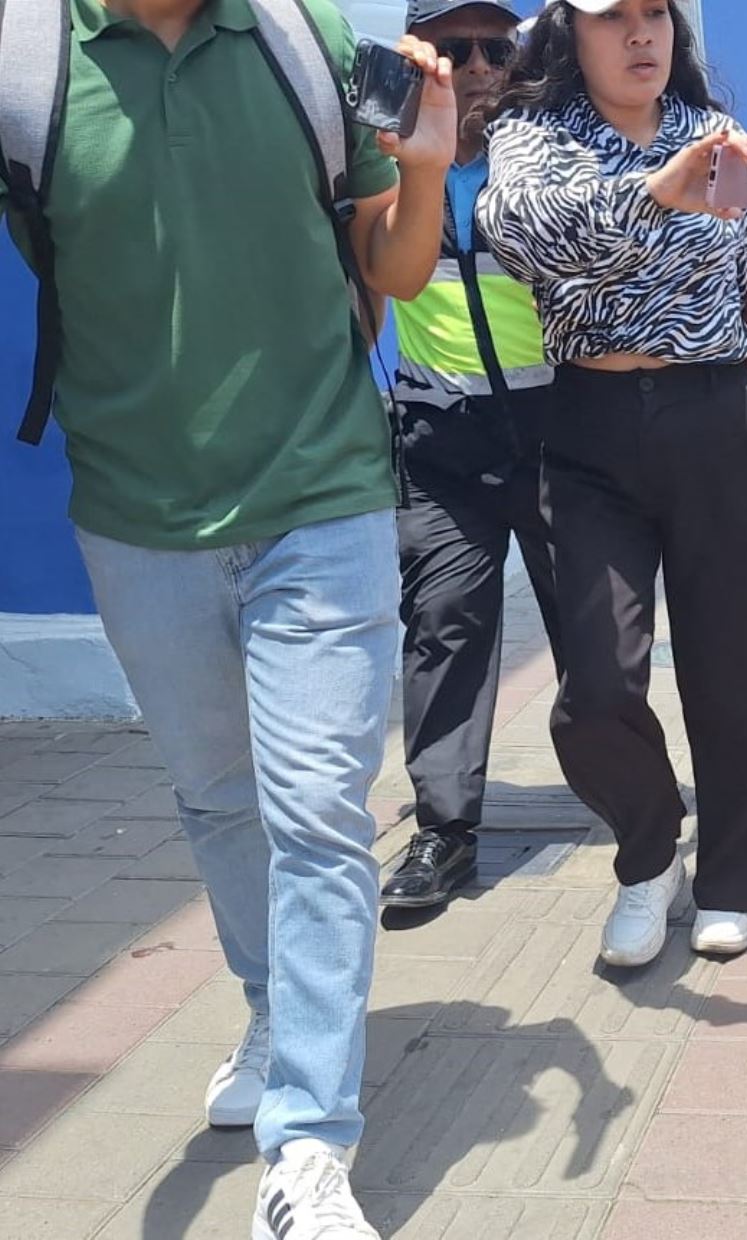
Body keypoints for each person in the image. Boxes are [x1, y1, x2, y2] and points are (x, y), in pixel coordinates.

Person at [0, 0, 456, 1231]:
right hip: (136, 512)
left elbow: (393, 267)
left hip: (321, 494)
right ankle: (272, 1006)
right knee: (217, 794)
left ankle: (306, 1144)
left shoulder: (300, 40)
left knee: (315, 808)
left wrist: (426, 173)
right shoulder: (28, 55)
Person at [476, 0, 747, 967]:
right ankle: (648, 857)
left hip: (719, 417)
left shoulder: (715, 139)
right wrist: (657, 192)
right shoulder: (534, 136)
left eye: (656, 14)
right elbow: (527, 240)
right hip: (593, 427)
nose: (642, 36)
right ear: (571, 32)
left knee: (743, 668)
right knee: (596, 682)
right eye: (615, 19)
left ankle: (735, 878)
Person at [380, 0, 564, 913]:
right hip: (439, 435)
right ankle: (444, 836)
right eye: (457, 49)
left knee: (597, 638)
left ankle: (640, 817)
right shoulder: (389, 152)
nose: (482, 65)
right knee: (444, 624)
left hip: (556, 432)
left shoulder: (547, 152)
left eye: (499, 46)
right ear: (423, 59)